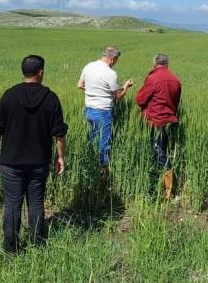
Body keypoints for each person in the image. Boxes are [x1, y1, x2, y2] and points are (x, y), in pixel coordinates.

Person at [0, 55, 68, 253]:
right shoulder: (51, 98)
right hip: (39, 163)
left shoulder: (9, 95)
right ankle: (37, 244)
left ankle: (11, 248)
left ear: (23, 71)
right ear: (40, 72)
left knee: (12, 204)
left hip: (11, 162)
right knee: (35, 202)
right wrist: (60, 157)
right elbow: (59, 134)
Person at [77, 46, 133, 177]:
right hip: (103, 112)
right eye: (116, 60)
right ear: (112, 59)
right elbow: (118, 95)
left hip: (89, 110)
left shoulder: (89, 66)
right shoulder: (110, 73)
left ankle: (90, 167)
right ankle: (103, 175)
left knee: (92, 140)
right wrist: (126, 86)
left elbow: (80, 85)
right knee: (104, 144)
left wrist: (94, 89)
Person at [135, 53, 181, 198]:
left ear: (155, 64)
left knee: (158, 152)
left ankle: (165, 189)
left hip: (156, 121)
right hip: (170, 121)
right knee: (165, 151)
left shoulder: (153, 78)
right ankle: (167, 187)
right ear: (167, 64)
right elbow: (176, 103)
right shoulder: (175, 79)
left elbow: (140, 100)